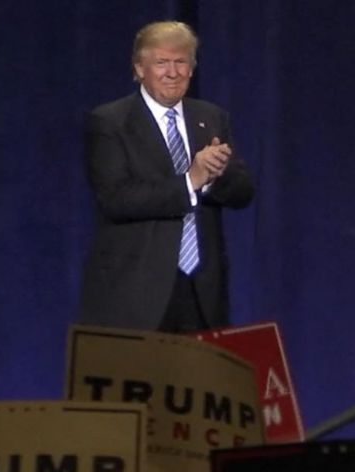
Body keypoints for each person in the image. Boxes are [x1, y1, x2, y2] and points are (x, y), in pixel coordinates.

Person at [78, 21, 254, 334]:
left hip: (202, 291)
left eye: (181, 62)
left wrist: (214, 176)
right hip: (138, 293)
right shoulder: (110, 122)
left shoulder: (210, 117)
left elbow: (243, 192)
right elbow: (117, 199)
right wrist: (191, 180)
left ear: (192, 67)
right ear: (139, 69)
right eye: (161, 63)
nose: (172, 72)